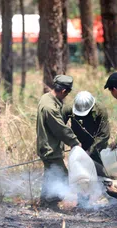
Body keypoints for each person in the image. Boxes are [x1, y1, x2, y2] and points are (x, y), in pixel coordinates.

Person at [36, 75, 81, 206]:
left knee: (51, 176)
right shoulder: (50, 107)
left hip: (49, 146)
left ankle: (44, 203)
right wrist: (74, 142)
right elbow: (60, 129)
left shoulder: (47, 97)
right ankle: (50, 203)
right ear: (63, 91)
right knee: (62, 178)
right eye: (67, 93)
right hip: (50, 149)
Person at [62, 91, 110, 166]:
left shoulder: (100, 110)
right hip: (78, 142)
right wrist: (71, 142)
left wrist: (90, 151)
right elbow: (59, 128)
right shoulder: (68, 108)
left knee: (99, 169)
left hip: (96, 144)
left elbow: (104, 135)